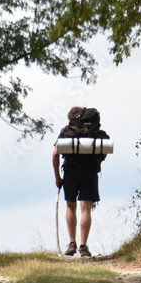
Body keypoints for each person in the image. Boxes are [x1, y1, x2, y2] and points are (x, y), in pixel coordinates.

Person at [52, 108, 106, 257]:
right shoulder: (94, 132)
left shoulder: (67, 132)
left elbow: (55, 154)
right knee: (86, 209)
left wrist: (57, 177)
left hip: (71, 173)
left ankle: (72, 244)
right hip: (90, 173)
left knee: (70, 205)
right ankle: (84, 246)